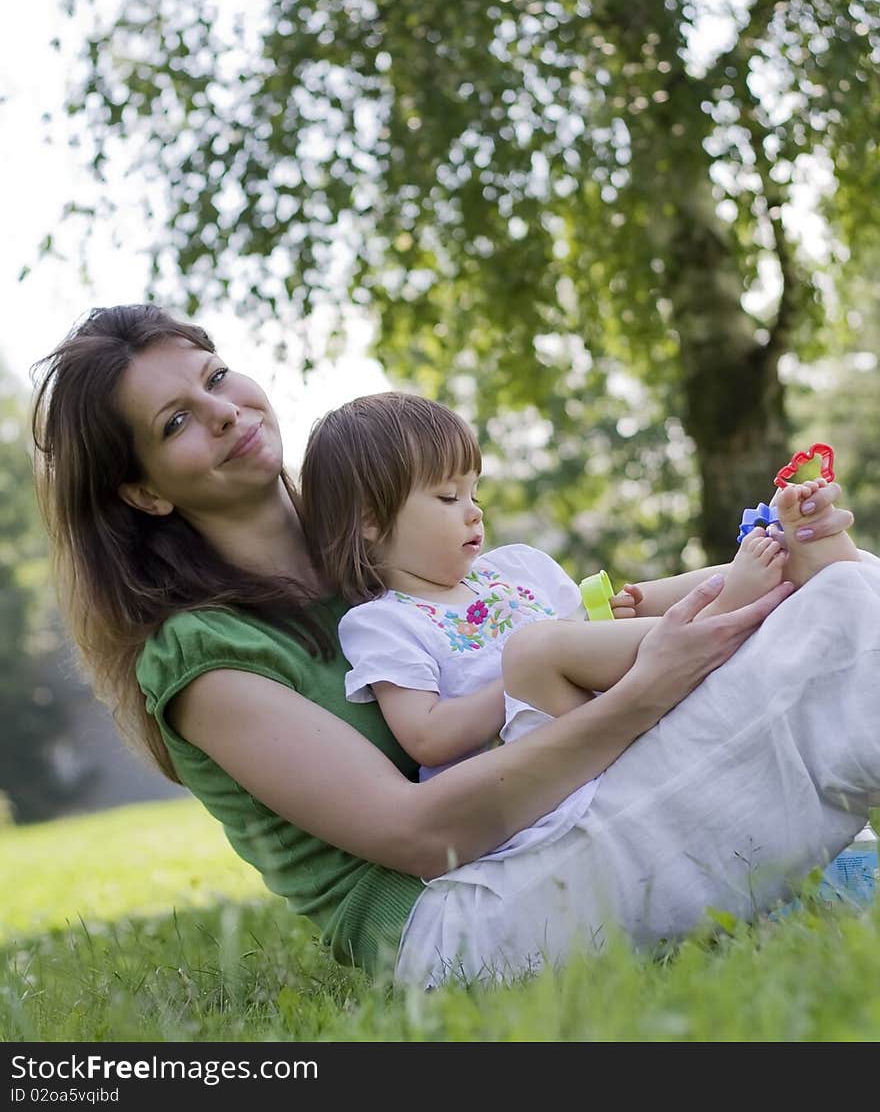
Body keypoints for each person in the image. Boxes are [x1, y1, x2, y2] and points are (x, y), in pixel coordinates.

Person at [31, 303, 879, 990]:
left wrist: (763, 572)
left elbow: (591, 625)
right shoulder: (201, 654)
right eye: (178, 418)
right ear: (141, 491)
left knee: (829, 589)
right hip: (465, 920)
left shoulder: (388, 553)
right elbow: (417, 835)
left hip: (561, 827)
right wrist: (646, 689)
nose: (224, 412)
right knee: (841, 624)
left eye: (216, 377)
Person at [299, 392, 801, 820]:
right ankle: (716, 618)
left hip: (603, 712)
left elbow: (580, 639)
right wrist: (522, 680)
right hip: (531, 771)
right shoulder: (383, 622)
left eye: (475, 491)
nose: (474, 512)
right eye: (448, 498)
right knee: (538, 648)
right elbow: (427, 737)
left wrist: (603, 624)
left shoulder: (517, 569)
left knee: (639, 596)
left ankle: (762, 569)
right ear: (370, 521)